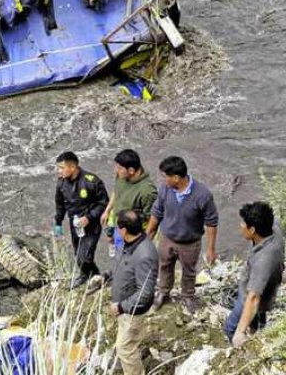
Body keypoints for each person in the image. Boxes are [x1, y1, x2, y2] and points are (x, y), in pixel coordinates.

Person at [146, 156, 219, 314]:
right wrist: (148, 236)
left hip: (190, 242)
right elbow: (156, 212)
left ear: (176, 178)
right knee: (164, 266)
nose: (163, 179)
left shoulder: (202, 195)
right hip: (167, 238)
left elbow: (211, 222)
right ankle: (163, 293)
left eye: (165, 176)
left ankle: (188, 296)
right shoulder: (165, 189)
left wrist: (210, 249)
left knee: (189, 270)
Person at [224, 201, 285, 347]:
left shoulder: (264, 260)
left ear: (252, 230)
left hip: (251, 295)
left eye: (243, 224)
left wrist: (239, 332)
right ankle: (256, 329)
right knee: (258, 317)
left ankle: (237, 348)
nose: (240, 226)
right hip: (267, 287)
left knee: (229, 328)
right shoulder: (273, 229)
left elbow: (253, 298)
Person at [110, 209, 158, 375]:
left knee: (124, 348)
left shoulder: (145, 254)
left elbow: (145, 292)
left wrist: (122, 307)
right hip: (124, 306)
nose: (116, 230)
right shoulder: (129, 243)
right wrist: (106, 276)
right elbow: (123, 267)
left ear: (123, 230)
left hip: (132, 311)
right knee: (125, 342)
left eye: (117, 227)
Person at [53, 151, 109, 288]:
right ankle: (86, 275)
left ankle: (96, 276)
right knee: (78, 254)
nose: (58, 171)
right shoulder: (61, 184)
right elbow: (60, 205)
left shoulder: (91, 181)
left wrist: (89, 217)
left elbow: (104, 203)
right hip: (75, 224)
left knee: (85, 257)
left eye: (61, 167)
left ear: (72, 167)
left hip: (91, 224)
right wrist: (58, 223)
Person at [101, 149, 158, 253]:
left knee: (130, 261)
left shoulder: (148, 191)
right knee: (119, 257)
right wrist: (107, 210)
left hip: (133, 235)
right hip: (118, 226)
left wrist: (144, 245)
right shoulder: (122, 175)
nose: (115, 171)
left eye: (119, 168)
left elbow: (152, 220)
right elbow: (117, 190)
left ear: (131, 171)